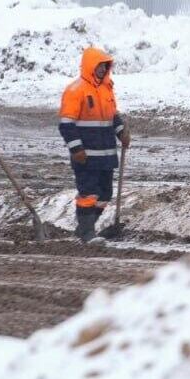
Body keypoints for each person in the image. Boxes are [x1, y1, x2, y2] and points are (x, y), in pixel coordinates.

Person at [59, 47, 129, 241]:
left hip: (106, 155)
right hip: (86, 156)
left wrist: (121, 132)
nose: (102, 69)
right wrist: (76, 148)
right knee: (88, 193)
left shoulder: (107, 89)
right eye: (99, 66)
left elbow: (112, 117)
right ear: (91, 66)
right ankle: (87, 233)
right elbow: (66, 124)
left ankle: (85, 229)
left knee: (104, 194)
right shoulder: (75, 90)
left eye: (105, 66)